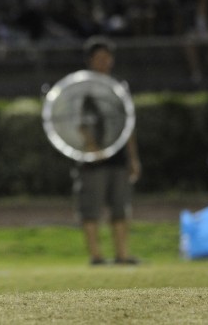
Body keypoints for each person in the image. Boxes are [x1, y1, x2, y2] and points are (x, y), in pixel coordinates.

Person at [75, 36, 142, 266]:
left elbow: (128, 124)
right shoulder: (81, 88)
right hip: (92, 159)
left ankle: (122, 255)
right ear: (89, 61)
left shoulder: (120, 87)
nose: (104, 62)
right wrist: (93, 148)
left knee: (121, 207)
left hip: (119, 158)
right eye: (99, 58)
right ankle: (96, 256)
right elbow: (76, 123)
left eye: (107, 57)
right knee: (91, 208)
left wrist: (133, 158)